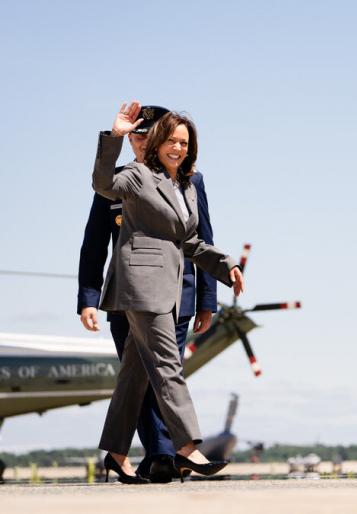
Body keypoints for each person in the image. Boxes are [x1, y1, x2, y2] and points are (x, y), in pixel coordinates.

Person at [92, 102, 244, 484]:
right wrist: (115, 137)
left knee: (134, 375)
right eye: (172, 141)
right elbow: (103, 184)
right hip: (140, 285)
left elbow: (191, 240)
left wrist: (226, 266)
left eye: (185, 143)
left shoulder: (186, 186)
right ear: (158, 142)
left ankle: (116, 453)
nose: (178, 148)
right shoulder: (137, 175)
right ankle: (188, 446)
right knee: (166, 365)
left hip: (170, 287)